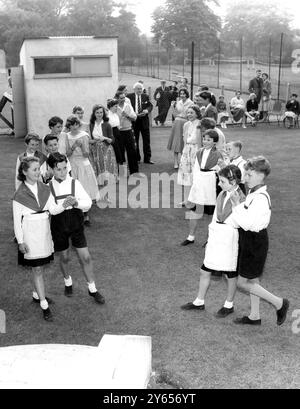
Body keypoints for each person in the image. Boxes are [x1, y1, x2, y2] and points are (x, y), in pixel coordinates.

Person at [230, 156, 289, 326]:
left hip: (254, 241)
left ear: (260, 175)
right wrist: (240, 205)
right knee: (253, 280)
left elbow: (247, 223)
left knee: (242, 282)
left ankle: (279, 303)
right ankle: (254, 316)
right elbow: (246, 216)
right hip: (250, 239)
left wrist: (236, 206)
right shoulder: (254, 192)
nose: (245, 178)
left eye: (248, 175)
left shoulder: (261, 198)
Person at [181, 165, 245, 316]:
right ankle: (199, 302)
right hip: (217, 236)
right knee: (205, 270)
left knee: (230, 274)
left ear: (233, 182)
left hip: (230, 239)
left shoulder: (241, 198)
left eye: (222, 181)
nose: (219, 184)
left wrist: (237, 206)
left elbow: (241, 221)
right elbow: (217, 215)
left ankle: (229, 305)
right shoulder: (223, 193)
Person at [13, 156, 67, 321]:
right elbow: (17, 221)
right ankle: (44, 304)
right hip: (30, 233)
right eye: (35, 169)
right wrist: (21, 241)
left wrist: (64, 204)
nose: (39, 172)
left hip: (44, 231)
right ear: (24, 172)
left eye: (39, 169)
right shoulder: (19, 195)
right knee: (36, 268)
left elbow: (53, 209)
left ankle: (37, 294)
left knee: (40, 267)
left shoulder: (45, 189)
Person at [47, 152, 105, 305]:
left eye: (65, 168)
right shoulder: (48, 186)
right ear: (51, 169)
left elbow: (87, 203)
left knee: (85, 257)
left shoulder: (75, 183)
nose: (63, 172)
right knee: (64, 257)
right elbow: (52, 210)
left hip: (76, 223)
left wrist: (76, 203)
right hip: (59, 225)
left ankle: (92, 289)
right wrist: (63, 205)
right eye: (59, 169)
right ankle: (68, 282)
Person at [181, 129, 223, 246]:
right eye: (204, 139)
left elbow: (221, 171)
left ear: (214, 142)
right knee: (193, 212)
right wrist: (195, 184)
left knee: (211, 215)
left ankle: (210, 239)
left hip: (211, 187)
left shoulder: (218, 154)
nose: (205, 141)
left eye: (208, 140)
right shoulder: (199, 152)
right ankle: (190, 237)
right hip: (199, 186)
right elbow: (196, 168)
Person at [65, 115, 99, 226]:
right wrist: (75, 146)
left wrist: (82, 147)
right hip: (71, 164)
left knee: (85, 188)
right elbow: (68, 154)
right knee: (72, 189)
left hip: (83, 164)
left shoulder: (84, 135)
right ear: (68, 126)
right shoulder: (66, 136)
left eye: (76, 124)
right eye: (71, 125)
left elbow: (86, 154)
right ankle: (74, 213)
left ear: (78, 125)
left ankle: (86, 216)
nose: (74, 127)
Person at [88, 104, 118, 195]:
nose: (99, 114)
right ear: (94, 114)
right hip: (95, 149)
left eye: (101, 112)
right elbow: (90, 139)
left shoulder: (107, 124)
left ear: (103, 113)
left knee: (106, 168)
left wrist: (105, 138)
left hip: (106, 149)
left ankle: (108, 191)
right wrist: (93, 141)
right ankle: (100, 191)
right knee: (98, 168)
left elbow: (112, 140)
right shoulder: (91, 125)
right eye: (97, 112)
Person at [177, 105, 202, 204]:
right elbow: (184, 139)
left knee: (195, 175)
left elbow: (200, 141)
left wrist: (199, 154)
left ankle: (196, 199)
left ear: (197, 113)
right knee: (186, 176)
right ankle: (187, 200)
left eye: (192, 112)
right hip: (187, 151)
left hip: (196, 150)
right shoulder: (186, 124)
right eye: (188, 113)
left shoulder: (200, 124)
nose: (189, 114)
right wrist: (184, 152)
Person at [127, 82, 154, 164]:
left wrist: (147, 110)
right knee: (135, 141)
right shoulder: (129, 97)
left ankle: (147, 159)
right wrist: (132, 114)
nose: (139, 90)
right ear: (134, 89)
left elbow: (150, 106)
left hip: (144, 121)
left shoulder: (145, 96)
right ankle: (137, 158)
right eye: (138, 89)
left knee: (146, 141)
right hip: (134, 121)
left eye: (141, 89)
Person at [115, 91, 141, 176]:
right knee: (120, 153)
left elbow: (134, 118)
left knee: (132, 152)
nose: (123, 99)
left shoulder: (128, 106)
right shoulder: (114, 108)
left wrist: (127, 115)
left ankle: (134, 172)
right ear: (117, 98)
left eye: (124, 97)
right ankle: (122, 173)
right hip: (119, 133)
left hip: (128, 131)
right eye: (121, 98)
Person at [167, 88, 193, 169]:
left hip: (186, 123)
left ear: (186, 94)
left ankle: (183, 161)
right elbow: (174, 115)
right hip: (177, 123)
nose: (182, 95)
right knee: (176, 142)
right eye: (181, 94)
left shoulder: (191, 103)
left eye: (183, 94)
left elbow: (191, 115)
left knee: (184, 142)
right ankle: (175, 162)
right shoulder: (178, 103)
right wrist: (172, 106)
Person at [107, 99, 123, 165]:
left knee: (121, 152)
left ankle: (122, 173)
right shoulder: (107, 116)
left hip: (117, 133)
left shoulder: (115, 115)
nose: (117, 108)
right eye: (116, 106)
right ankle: (117, 172)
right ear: (111, 107)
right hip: (112, 134)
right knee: (117, 153)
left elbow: (118, 125)